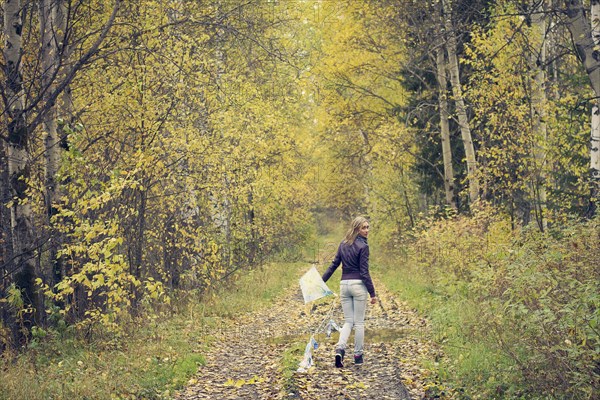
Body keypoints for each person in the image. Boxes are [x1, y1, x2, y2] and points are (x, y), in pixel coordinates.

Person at [322, 216, 377, 367]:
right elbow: (364, 272)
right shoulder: (363, 247)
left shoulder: (343, 244)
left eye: (367, 227)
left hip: (344, 285)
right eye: (363, 228)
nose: (367, 230)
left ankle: (340, 349)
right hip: (358, 286)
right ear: (356, 229)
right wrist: (372, 293)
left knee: (348, 321)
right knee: (358, 323)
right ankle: (358, 355)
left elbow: (333, 266)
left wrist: (321, 281)